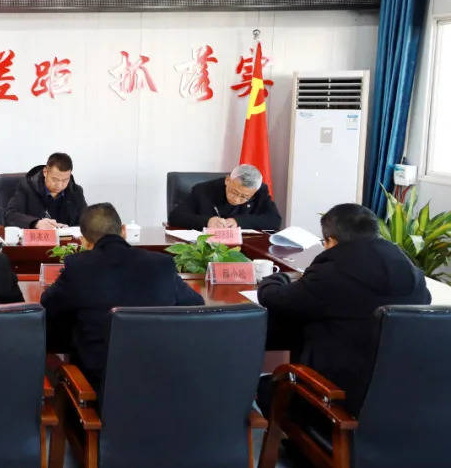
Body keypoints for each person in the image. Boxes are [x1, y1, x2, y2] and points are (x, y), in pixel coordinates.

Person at [257, 203, 430, 416]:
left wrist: (275, 279)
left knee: (265, 388)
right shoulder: (411, 272)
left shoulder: (332, 273)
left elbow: (274, 299)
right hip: (396, 399)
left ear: (331, 241)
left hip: (334, 400)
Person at [41, 203, 204, 390]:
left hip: (98, 385)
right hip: (161, 379)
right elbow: (195, 304)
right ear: (124, 231)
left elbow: (47, 305)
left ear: (84, 242)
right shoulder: (161, 264)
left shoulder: (78, 267)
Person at [168, 164, 282, 230]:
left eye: (244, 197)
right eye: (234, 192)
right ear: (228, 180)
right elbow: (175, 216)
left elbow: (274, 220)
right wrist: (207, 221)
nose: (236, 199)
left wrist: (238, 222)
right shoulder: (204, 190)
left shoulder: (260, 192)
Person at [5, 152, 88, 230]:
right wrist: (36, 223)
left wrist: (69, 228)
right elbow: (10, 215)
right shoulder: (26, 187)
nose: (59, 185)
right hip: (36, 239)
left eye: (65, 180)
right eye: (55, 179)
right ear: (45, 172)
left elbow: (86, 221)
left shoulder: (76, 191)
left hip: (65, 239)